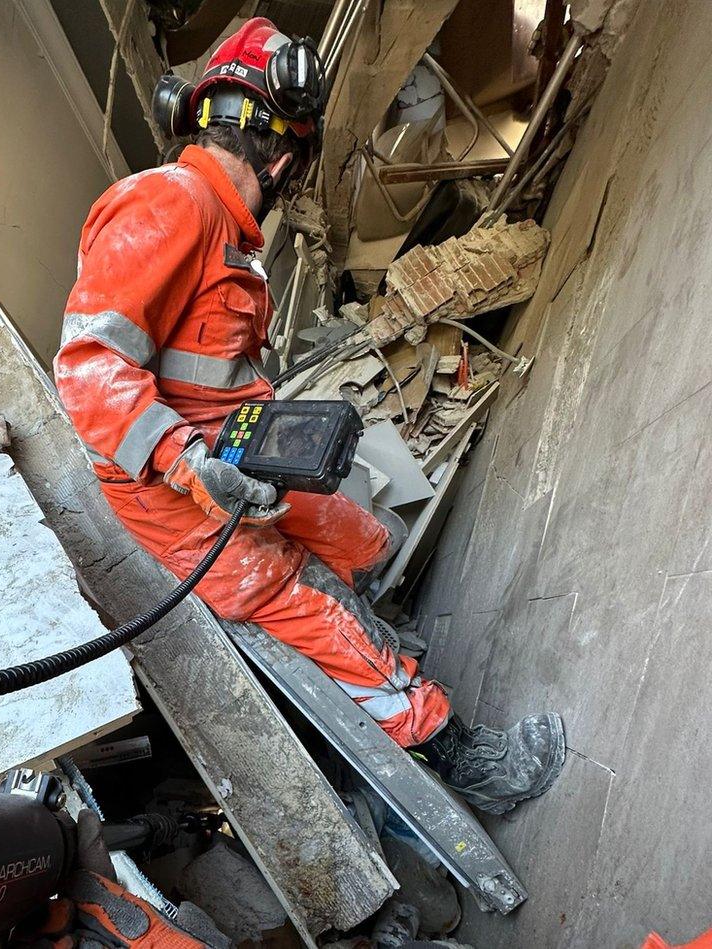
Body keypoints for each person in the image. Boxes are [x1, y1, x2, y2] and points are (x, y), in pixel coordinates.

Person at [54, 18, 564, 814]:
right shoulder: (170, 201)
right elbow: (87, 369)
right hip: (179, 496)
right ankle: (462, 754)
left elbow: (205, 371)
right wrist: (191, 466)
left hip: (237, 459)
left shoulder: (218, 223)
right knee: (309, 598)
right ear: (283, 158)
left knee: (361, 537)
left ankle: (380, 651)